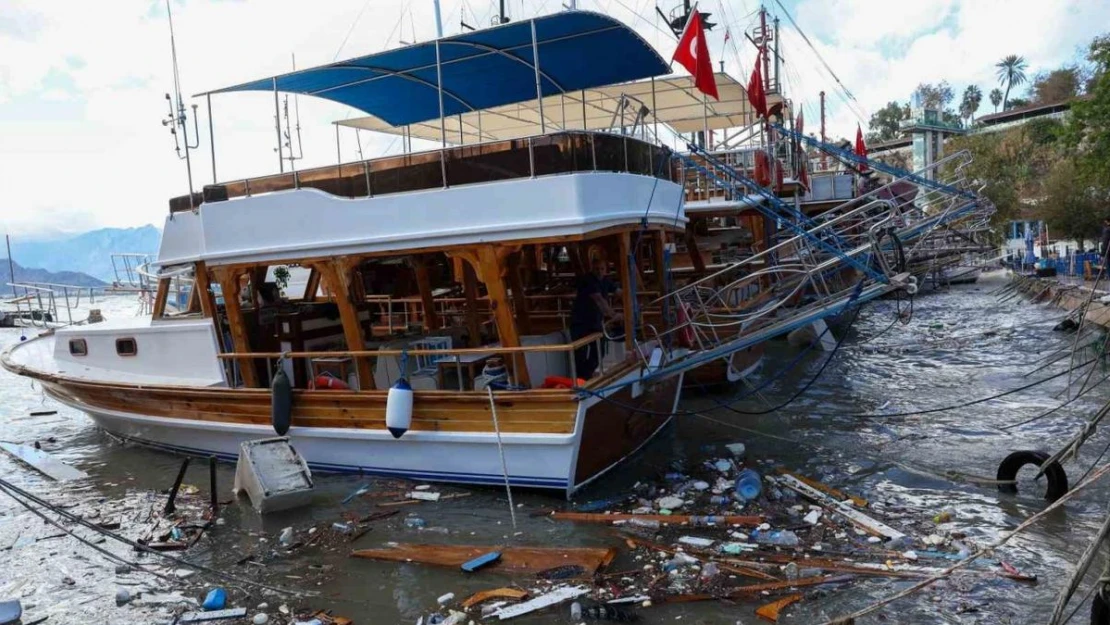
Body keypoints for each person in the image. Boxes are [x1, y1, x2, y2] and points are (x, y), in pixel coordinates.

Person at [569, 258, 620, 379]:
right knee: (580, 352)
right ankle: (581, 378)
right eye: (597, 269)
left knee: (599, 350)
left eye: (602, 269)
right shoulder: (588, 280)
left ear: (606, 269)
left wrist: (629, 302)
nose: (599, 271)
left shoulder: (606, 280)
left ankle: (585, 375)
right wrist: (613, 315)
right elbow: (599, 300)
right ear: (592, 268)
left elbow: (618, 291)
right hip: (580, 322)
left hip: (595, 322)